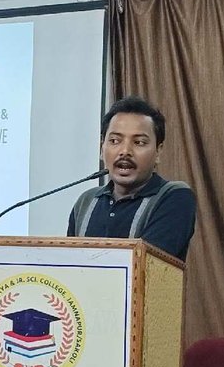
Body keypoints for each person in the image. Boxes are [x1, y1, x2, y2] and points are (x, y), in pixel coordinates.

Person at [67, 96, 197, 260]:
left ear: (158, 151)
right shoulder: (86, 202)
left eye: (139, 142)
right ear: (101, 148)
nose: (125, 151)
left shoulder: (175, 196)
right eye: (115, 140)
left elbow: (145, 263)